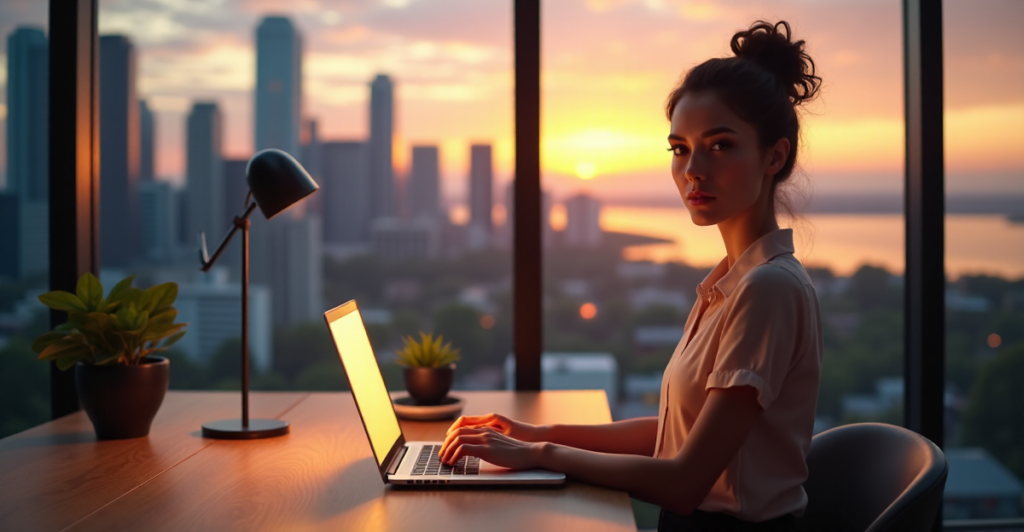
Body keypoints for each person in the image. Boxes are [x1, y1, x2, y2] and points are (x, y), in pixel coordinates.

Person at [439, 19, 824, 531]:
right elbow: (673, 434)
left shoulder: (767, 289)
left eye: (720, 145)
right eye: (680, 148)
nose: (693, 170)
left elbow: (684, 483)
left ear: (774, 156)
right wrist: (532, 434)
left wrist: (543, 454)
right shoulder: (729, 283)